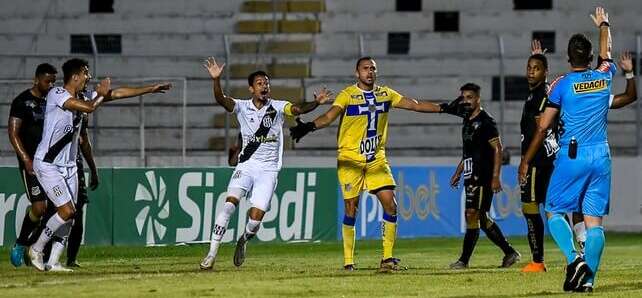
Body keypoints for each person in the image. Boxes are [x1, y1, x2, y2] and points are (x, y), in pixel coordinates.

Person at [289, 56, 460, 272]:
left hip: (376, 158)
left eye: (373, 68)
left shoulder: (385, 93)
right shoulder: (348, 95)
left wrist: (443, 108)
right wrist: (309, 127)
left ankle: (387, 259)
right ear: (356, 73)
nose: (369, 72)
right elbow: (330, 116)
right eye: (365, 69)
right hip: (350, 159)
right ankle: (348, 261)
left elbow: (414, 105)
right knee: (351, 209)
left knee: (391, 204)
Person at [519, 7, 637, 292]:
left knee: (554, 210)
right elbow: (607, 54)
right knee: (594, 223)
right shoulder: (605, 75)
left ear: (569, 58)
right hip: (601, 156)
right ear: (590, 57)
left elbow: (543, 125)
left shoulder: (561, 84)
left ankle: (575, 260)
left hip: (573, 154)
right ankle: (588, 282)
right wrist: (604, 24)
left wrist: (526, 160)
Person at [27, 58, 171, 272]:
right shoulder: (57, 94)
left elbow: (118, 94)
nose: (89, 77)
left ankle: (53, 262)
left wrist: (150, 89)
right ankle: (36, 248)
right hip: (48, 164)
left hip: (69, 167)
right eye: (86, 73)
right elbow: (89, 108)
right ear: (75, 76)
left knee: (72, 214)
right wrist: (102, 94)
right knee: (66, 211)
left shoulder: (83, 96)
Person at [199, 57, 331, 270]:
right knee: (229, 205)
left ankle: (244, 239)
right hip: (246, 165)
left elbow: (297, 110)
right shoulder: (242, 107)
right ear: (251, 88)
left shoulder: (278, 107)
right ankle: (211, 254)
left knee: (255, 220)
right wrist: (216, 80)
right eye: (260, 83)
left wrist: (316, 103)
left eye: (267, 83)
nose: (265, 86)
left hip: (269, 170)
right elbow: (221, 100)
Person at [448, 83, 521, 269]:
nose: (466, 101)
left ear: (478, 98)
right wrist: (458, 172)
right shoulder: (467, 120)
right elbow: (469, 152)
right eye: (463, 97)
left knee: (472, 214)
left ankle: (464, 261)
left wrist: (496, 177)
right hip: (471, 173)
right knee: (481, 217)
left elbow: (498, 148)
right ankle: (510, 252)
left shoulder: (487, 122)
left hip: (483, 174)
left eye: (470, 97)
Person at [8, 63, 57, 267]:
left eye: (54, 81)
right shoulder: (22, 101)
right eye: (48, 81)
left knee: (55, 209)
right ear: (36, 80)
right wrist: (25, 159)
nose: (51, 85)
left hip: (52, 162)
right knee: (39, 207)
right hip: (31, 162)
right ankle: (20, 244)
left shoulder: (54, 100)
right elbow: (13, 133)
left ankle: (35, 248)